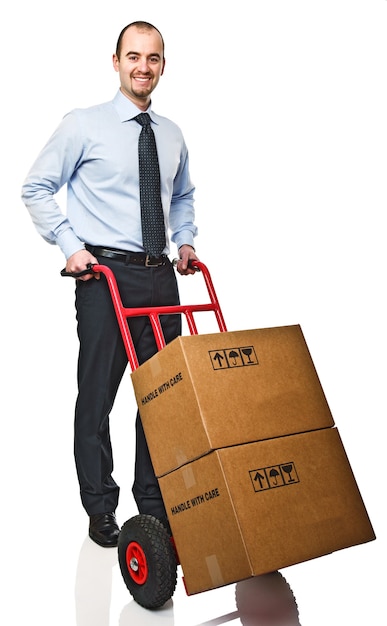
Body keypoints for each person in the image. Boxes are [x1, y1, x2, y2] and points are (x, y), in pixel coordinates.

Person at [21, 21, 198, 547]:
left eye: (154, 58)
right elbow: (36, 187)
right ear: (116, 61)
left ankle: (152, 504)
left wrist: (184, 241)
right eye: (134, 56)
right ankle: (100, 506)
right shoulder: (83, 125)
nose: (143, 67)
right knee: (98, 397)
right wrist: (71, 246)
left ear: (163, 65)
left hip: (160, 274)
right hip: (103, 276)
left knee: (161, 396)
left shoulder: (171, 134)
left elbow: (183, 196)